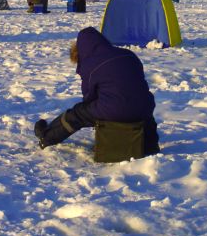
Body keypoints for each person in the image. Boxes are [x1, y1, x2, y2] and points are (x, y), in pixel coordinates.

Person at [34, 27, 160, 160]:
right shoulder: (128, 54)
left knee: (78, 114)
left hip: (114, 109)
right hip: (145, 106)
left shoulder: (90, 64)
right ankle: (151, 144)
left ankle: (47, 137)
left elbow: (88, 97)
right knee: (141, 107)